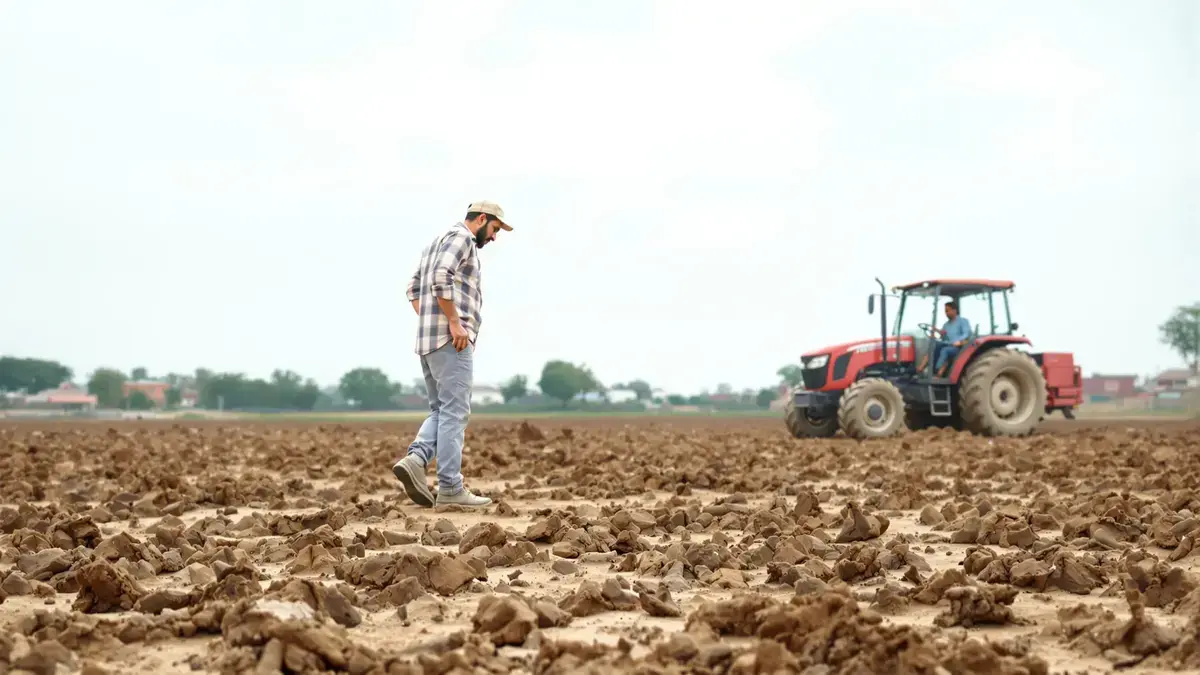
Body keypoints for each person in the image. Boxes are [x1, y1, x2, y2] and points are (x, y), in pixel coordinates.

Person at [392, 201, 512, 508]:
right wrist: (454, 323)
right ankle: (450, 488)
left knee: (441, 410)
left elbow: (412, 288)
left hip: (429, 339)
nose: (494, 238)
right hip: (451, 341)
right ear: (482, 219)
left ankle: (416, 459)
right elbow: (441, 277)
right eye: (495, 229)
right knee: (456, 412)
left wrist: (431, 319)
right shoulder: (462, 239)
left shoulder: (436, 242)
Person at [915, 301, 972, 377]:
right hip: (948, 344)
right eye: (945, 311)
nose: (946, 313)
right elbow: (943, 336)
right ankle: (922, 367)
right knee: (934, 345)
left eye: (948, 311)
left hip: (959, 347)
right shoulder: (946, 324)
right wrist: (935, 334)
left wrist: (958, 341)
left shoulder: (963, 321)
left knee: (945, 351)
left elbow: (966, 334)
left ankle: (938, 373)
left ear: (954, 310)